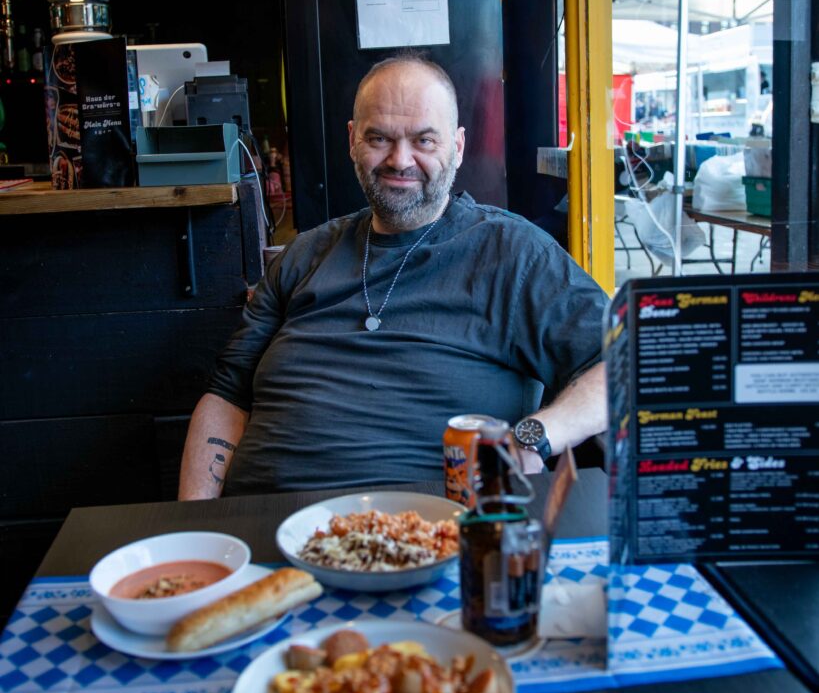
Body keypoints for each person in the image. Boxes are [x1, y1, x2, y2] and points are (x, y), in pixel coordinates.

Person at [178, 55, 608, 500]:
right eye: (379, 138)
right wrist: (194, 523)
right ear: (352, 141)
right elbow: (227, 395)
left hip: (432, 525)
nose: (400, 160)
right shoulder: (305, 254)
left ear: (458, 146)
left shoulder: (514, 253)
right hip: (264, 523)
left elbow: (623, 362)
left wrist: (532, 438)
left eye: (424, 140)